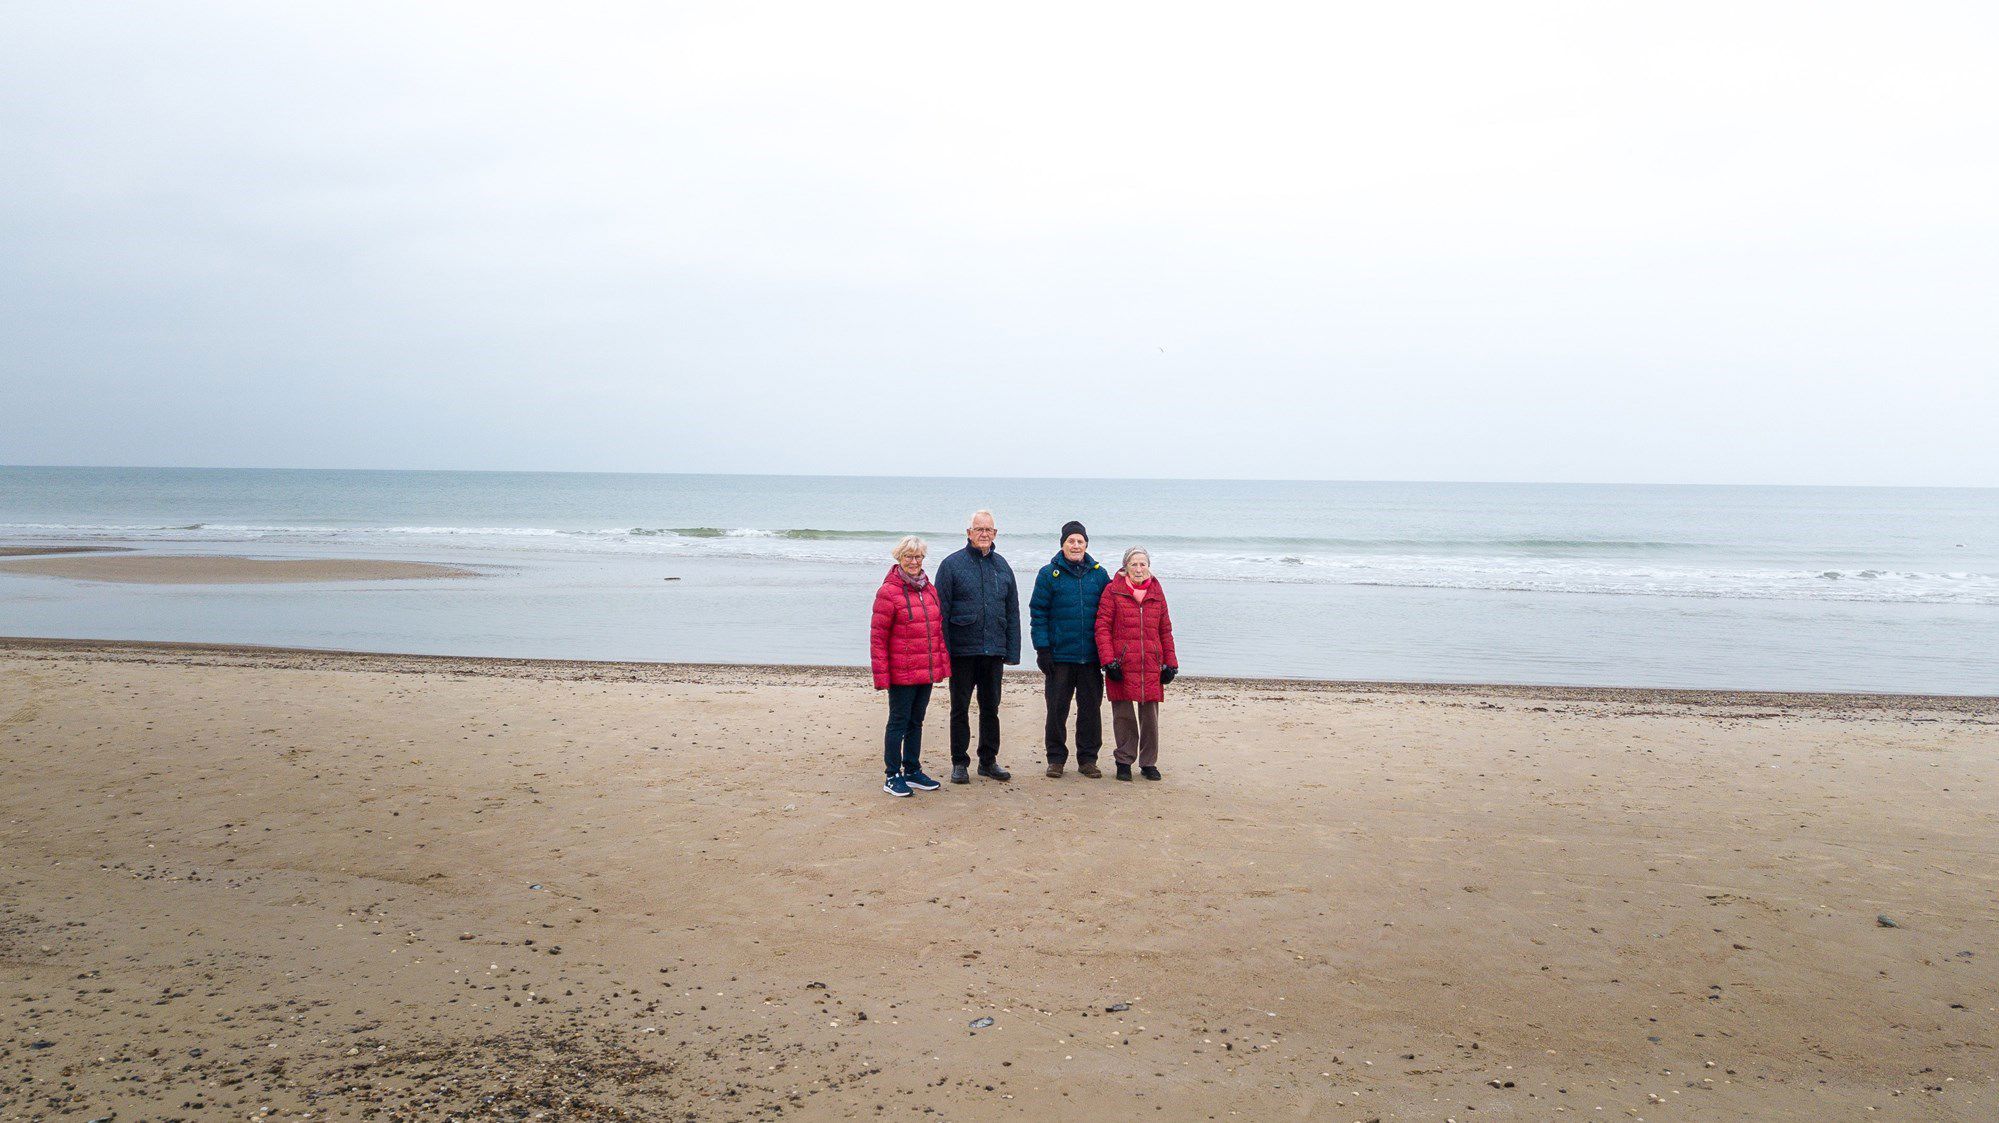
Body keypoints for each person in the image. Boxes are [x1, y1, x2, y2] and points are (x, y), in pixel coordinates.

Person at [933, 509, 1021, 783]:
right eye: (979, 529)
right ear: (969, 533)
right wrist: (943, 652)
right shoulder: (951, 565)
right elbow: (940, 613)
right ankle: (959, 763)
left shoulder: (1002, 566)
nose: (984, 534)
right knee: (960, 708)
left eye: (988, 529)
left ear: (995, 534)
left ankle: (988, 761)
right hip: (962, 651)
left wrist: (1012, 651)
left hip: (993, 650)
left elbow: (1012, 611)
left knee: (990, 708)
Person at [1029, 520, 1111, 778]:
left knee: (1090, 711)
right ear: (1062, 544)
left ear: (1086, 544)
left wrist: (1108, 653)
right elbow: (1038, 612)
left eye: (1080, 541)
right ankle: (1055, 759)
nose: (1076, 545)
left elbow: (1111, 613)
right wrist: (1042, 649)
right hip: (1059, 656)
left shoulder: (1099, 575)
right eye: (1071, 541)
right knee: (1056, 710)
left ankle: (1088, 759)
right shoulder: (1048, 574)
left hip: (1091, 657)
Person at [869, 536, 949, 797]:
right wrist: (881, 676)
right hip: (901, 672)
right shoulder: (888, 592)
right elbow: (878, 638)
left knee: (917, 721)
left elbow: (937, 632)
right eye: (909, 556)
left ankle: (912, 770)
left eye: (918, 557)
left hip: (925, 669)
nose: (914, 562)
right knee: (898, 722)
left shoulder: (929, 589)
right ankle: (892, 775)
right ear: (899, 558)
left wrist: (941, 665)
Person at [1094, 546, 1179, 781]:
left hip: (1151, 662)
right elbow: (1102, 627)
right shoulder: (1112, 590)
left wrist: (1171, 663)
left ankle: (1148, 763)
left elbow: (1165, 629)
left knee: (1150, 717)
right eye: (1134, 564)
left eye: (1143, 564)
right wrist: (1108, 661)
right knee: (1123, 716)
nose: (1139, 569)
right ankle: (1124, 761)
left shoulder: (1156, 591)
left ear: (1148, 566)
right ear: (1125, 567)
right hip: (1121, 663)